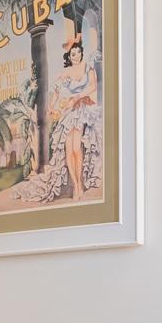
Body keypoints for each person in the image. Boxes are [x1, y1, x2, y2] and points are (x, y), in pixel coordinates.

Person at [47, 37, 99, 202]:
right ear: (68, 56)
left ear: (81, 53)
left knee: (77, 148)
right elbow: (56, 91)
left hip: (82, 108)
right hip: (68, 111)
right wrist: (51, 106)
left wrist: (77, 97)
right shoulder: (66, 72)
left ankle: (80, 183)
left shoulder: (87, 66)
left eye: (77, 52)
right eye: (72, 54)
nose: (75, 56)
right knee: (68, 150)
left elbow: (92, 86)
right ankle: (76, 184)